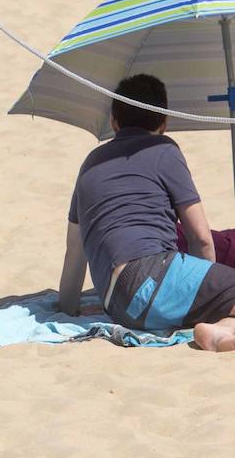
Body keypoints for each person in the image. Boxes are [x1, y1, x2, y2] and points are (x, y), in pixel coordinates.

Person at [59, 74, 235, 352]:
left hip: (115, 302)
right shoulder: (164, 150)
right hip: (152, 275)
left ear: (114, 122)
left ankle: (223, 331)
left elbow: (74, 250)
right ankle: (216, 327)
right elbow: (200, 237)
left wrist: (67, 307)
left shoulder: (90, 163)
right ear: (164, 123)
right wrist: (207, 282)